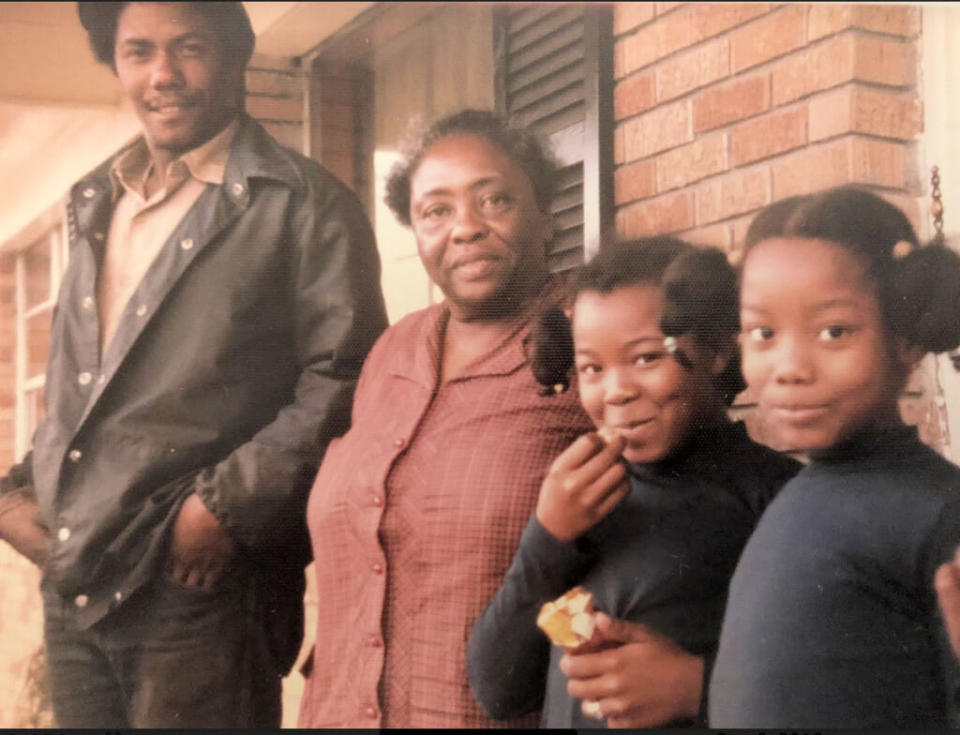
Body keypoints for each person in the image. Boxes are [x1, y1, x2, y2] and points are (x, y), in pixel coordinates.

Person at [0, 2, 388, 727]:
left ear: (236, 54)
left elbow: (346, 376)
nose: (163, 75)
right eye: (138, 51)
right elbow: (85, 384)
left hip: (199, 586)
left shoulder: (305, 205)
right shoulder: (96, 200)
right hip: (78, 581)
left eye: (188, 48)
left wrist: (224, 508)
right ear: (114, 64)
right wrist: (21, 491)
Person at [296, 109, 595, 728]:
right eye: (436, 210)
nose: (466, 229)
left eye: (495, 200)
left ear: (545, 216)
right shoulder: (391, 353)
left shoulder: (591, 342)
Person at [466, 237, 800, 728]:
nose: (616, 391)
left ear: (715, 350)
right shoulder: (579, 501)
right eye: (592, 369)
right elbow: (497, 689)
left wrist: (698, 690)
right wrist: (547, 539)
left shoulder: (778, 499)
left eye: (646, 358)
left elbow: (831, 689)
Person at [709, 186, 960, 728]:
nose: (789, 367)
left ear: (907, 338)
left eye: (834, 331)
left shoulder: (940, 515)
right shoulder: (798, 492)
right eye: (763, 333)